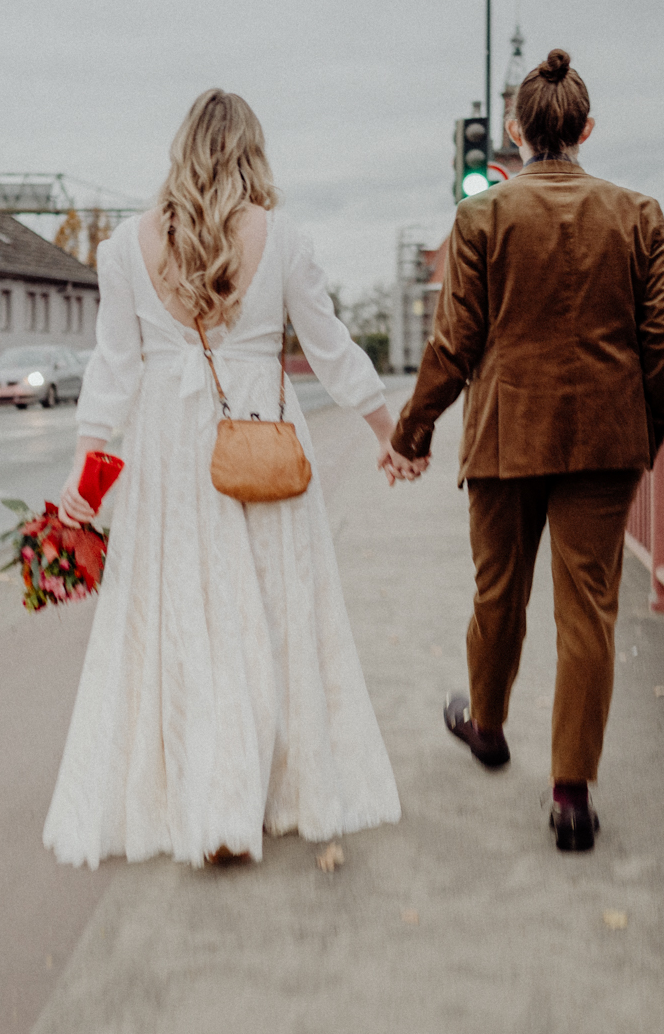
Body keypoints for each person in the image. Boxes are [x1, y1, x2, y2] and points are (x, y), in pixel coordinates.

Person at [42, 89, 403, 869]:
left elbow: (114, 369)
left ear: (181, 149)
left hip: (170, 451)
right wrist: (388, 433)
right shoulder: (284, 239)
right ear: (251, 151)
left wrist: (87, 471)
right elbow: (331, 347)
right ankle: (262, 792)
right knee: (271, 614)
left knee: (182, 616)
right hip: (260, 441)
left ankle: (202, 794)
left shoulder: (124, 248)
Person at [385, 50, 664, 852]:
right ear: (586, 130)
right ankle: (571, 795)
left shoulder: (482, 219)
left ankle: (487, 725)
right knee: (587, 610)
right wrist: (644, 430)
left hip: (506, 436)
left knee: (498, 593)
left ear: (516, 132)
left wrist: (411, 430)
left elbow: (454, 343)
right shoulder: (640, 214)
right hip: (604, 442)